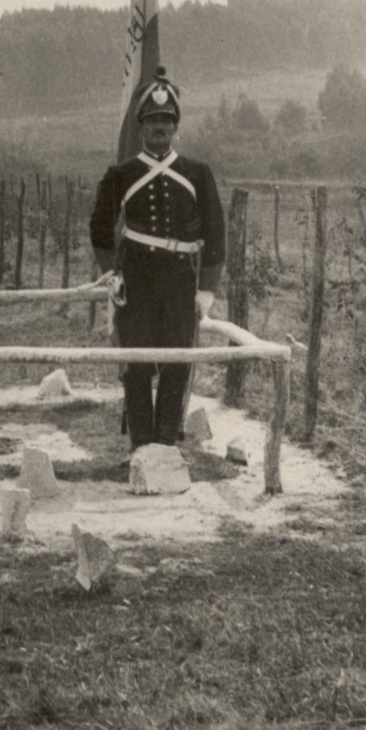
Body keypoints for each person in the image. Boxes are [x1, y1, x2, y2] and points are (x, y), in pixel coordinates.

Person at [89, 67, 225, 452]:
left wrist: (207, 291)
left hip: (181, 281)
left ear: (176, 126)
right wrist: (110, 272)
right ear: (141, 127)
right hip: (137, 280)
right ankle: (141, 449)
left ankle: (165, 447)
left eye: (166, 121)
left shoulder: (197, 174)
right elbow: (100, 226)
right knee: (136, 365)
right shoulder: (122, 174)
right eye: (152, 121)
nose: (160, 128)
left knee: (177, 362)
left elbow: (216, 233)